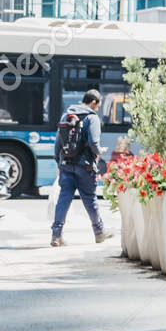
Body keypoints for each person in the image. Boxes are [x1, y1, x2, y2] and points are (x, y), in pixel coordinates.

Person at [51, 89, 107, 247]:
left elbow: (58, 143)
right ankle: (99, 232)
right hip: (85, 166)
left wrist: (59, 163)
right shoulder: (92, 117)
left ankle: (56, 235)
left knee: (64, 199)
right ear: (94, 102)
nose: (97, 109)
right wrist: (100, 152)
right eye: (98, 106)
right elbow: (94, 143)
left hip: (66, 164)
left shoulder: (66, 115)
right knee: (90, 199)